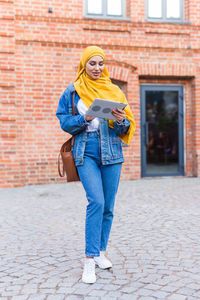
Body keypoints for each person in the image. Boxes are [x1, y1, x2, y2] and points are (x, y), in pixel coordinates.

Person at [56, 46, 135, 284]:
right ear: (84, 65)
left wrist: (121, 120)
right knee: (96, 202)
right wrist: (85, 118)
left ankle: (101, 252)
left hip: (111, 151)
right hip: (85, 151)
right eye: (92, 64)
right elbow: (64, 121)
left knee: (108, 206)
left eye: (101, 63)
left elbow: (125, 127)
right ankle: (89, 261)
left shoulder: (114, 91)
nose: (97, 68)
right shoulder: (72, 92)